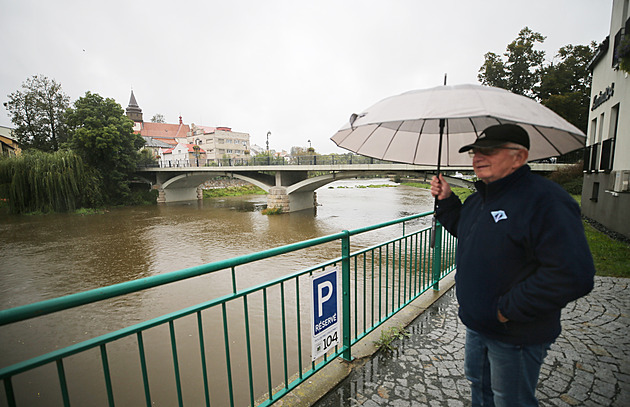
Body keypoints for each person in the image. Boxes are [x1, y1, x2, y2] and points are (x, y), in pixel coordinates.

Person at [429, 123, 595, 407]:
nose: (478, 157)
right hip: (478, 325)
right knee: (481, 390)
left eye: (489, 151)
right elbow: (466, 229)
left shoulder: (545, 200)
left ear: (519, 157)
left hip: (515, 333)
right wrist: (446, 200)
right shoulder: (480, 198)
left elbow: (573, 274)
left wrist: (506, 310)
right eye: (475, 152)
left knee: (512, 400)